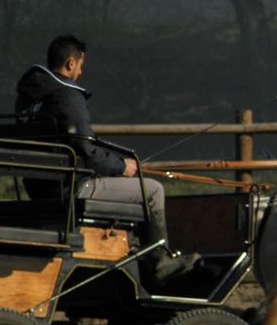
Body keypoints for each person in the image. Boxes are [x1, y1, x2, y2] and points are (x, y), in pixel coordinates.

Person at [14, 34, 197, 289]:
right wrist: (122, 166)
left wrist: (115, 163)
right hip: (71, 186)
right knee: (153, 191)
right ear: (70, 63)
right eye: (80, 65)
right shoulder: (66, 96)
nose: (80, 72)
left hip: (41, 186)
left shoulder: (30, 98)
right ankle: (159, 264)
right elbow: (86, 149)